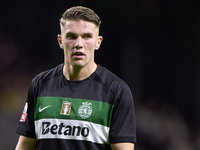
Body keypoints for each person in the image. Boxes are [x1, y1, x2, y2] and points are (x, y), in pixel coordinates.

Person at [15, 6, 136, 150]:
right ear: (60, 41)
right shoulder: (40, 85)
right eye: (72, 36)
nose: (79, 44)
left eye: (87, 37)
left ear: (98, 42)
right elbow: (24, 145)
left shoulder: (117, 91)